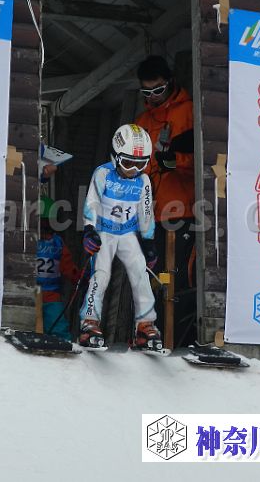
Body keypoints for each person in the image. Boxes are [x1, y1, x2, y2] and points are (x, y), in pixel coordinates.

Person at [78, 124, 161, 350]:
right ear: (115, 156)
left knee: (140, 272)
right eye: (128, 163)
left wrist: (149, 241)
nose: (134, 169)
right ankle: (89, 321)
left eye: (140, 164)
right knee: (101, 274)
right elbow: (92, 202)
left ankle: (145, 325)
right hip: (104, 232)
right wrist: (89, 229)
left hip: (126, 233)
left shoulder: (143, 181)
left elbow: (146, 212)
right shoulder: (103, 173)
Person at [135, 55, 197, 344]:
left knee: (178, 278)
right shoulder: (142, 121)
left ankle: (179, 341)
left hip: (182, 210)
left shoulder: (189, 111)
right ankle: (153, 335)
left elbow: (206, 158)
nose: (153, 97)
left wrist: (175, 161)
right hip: (150, 215)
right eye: (146, 92)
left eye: (158, 90)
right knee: (155, 277)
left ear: (170, 83)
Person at [36, 195, 79, 340]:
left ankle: (62, 344)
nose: (45, 227)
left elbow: (67, 266)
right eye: (42, 222)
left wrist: (79, 278)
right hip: (27, 292)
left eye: (47, 223)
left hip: (51, 294)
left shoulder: (57, 242)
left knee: (58, 327)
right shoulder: (26, 239)